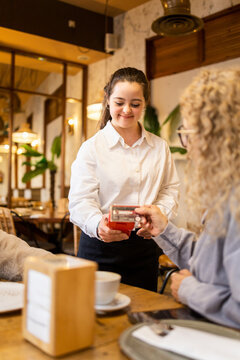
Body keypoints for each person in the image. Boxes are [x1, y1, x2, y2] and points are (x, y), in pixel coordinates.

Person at [135, 68, 240, 328]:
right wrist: (165, 230)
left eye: (189, 135)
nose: (187, 147)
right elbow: (212, 265)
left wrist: (191, 291)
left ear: (217, 139)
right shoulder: (228, 192)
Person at [69, 67, 179, 292]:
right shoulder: (91, 148)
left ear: (144, 104)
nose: (127, 110)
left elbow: (170, 189)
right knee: (95, 320)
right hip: (100, 247)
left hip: (144, 248)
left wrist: (159, 215)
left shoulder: (159, 147)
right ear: (108, 100)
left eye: (135, 104)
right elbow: (80, 201)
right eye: (119, 102)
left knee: (141, 319)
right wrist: (98, 225)